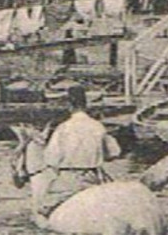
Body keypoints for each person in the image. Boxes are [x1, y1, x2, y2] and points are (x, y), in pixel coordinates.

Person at [40, 84, 119, 215]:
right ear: (86, 105)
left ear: (69, 105)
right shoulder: (98, 126)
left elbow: (51, 159)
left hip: (68, 180)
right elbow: (114, 152)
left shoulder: (63, 128)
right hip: (93, 178)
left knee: (44, 210)